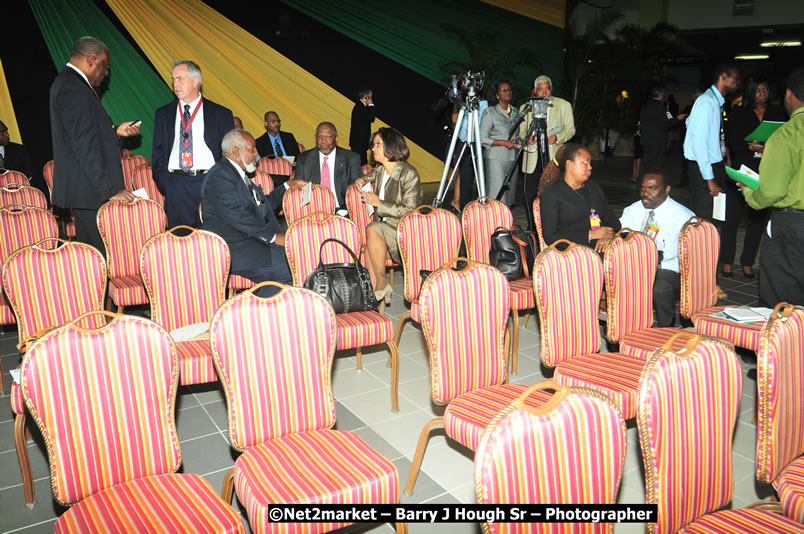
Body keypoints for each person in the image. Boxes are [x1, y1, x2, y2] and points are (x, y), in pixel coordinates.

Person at [49, 36, 140, 252]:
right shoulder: (73, 88)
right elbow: (84, 145)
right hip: (92, 192)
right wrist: (109, 191)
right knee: (106, 256)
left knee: (93, 258)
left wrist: (115, 132)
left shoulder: (71, 83)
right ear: (91, 59)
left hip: (87, 191)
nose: (106, 72)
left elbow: (84, 134)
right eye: (105, 66)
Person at [201, 129, 305, 297]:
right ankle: (250, 308)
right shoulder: (220, 176)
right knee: (292, 268)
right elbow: (239, 217)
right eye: (252, 149)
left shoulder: (236, 174)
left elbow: (263, 205)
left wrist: (287, 185)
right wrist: (273, 237)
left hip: (253, 241)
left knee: (299, 260)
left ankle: (258, 307)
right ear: (236, 151)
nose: (256, 154)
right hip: (237, 249)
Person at [744, 66, 804, 307]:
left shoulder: (786, 135)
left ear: (789, 94)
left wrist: (749, 192)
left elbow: (772, 191)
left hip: (792, 228)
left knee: (782, 304)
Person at [152, 60, 234, 229]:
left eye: (180, 79)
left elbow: (229, 155)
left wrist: (219, 183)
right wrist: (167, 183)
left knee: (211, 237)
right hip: (176, 184)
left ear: (196, 81)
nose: (175, 84)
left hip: (209, 183)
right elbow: (157, 152)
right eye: (174, 79)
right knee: (180, 238)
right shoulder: (163, 114)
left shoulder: (221, 114)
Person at [721, 76, 786, 279]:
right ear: (751, 92)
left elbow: (782, 140)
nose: (762, 93)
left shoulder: (778, 113)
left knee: (757, 220)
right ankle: (726, 261)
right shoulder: (739, 112)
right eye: (758, 90)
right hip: (741, 170)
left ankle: (747, 262)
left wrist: (766, 147)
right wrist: (750, 146)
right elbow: (732, 141)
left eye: (765, 89)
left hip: (764, 171)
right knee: (731, 218)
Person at [354, 127, 422, 302]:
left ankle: (380, 284)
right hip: (383, 230)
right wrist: (363, 179)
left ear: (391, 146)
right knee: (370, 246)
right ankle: (376, 294)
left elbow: (410, 211)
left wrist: (380, 204)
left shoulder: (409, 174)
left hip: (403, 232)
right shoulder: (381, 169)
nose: (373, 148)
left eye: (378, 144)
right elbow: (372, 174)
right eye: (373, 145)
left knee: (372, 229)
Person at [620, 173, 694, 327]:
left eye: (652, 188)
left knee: (660, 286)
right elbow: (620, 235)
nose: (645, 193)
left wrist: (654, 260)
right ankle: (624, 326)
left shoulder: (683, 217)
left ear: (667, 189)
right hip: (636, 265)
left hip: (669, 269)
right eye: (643, 188)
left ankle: (666, 328)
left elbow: (690, 258)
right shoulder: (633, 209)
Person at [683, 63, 740, 219]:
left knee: (714, 217)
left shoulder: (715, 101)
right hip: (704, 169)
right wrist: (709, 179)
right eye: (736, 78)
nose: (738, 82)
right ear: (723, 77)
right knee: (704, 219)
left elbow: (690, 123)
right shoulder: (706, 102)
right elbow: (699, 143)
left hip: (713, 166)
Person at [539, 143, 620, 252]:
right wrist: (590, 234)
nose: (590, 167)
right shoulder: (552, 194)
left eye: (590, 163)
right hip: (573, 252)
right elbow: (551, 237)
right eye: (585, 163)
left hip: (602, 247)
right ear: (569, 165)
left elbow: (613, 221)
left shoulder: (593, 188)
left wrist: (607, 235)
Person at [520, 75, 576, 222]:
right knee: (530, 193)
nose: (544, 93)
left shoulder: (564, 105)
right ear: (535, 91)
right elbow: (521, 131)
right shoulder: (526, 107)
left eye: (547, 89)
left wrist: (558, 137)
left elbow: (571, 129)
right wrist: (527, 138)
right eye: (540, 89)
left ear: (552, 89)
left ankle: (552, 225)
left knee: (553, 193)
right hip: (532, 158)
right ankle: (532, 226)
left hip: (553, 157)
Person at [294, 122, 362, 216]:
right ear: (315, 138)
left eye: (328, 137)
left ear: (336, 138)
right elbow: (298, 190)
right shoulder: (304, 158)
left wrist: (340, 214)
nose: (323, 141)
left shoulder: (351, 158)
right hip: (312, 210)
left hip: (342, 210)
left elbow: (355, 191)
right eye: (320, 137)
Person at [480, 80, 521, 207]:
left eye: (509, 90)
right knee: (497, 195)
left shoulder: (516, 112)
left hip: (512, 158)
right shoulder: (490, 112)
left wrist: (520, 140)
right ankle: (495, 218)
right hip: (496, 159)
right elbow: (482, 138)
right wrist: (503, 143)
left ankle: (506, 218)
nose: (507, 92)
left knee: (509, 196)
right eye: (504, 90)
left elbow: (516, 135)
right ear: (497, 95)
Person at [639, 82, 687, 177]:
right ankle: (653, 182)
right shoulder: (659, 106)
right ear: (661, 95)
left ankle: (642, 181)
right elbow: (665, 123)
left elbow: (642, 121)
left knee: (646, 163)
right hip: (657, 141)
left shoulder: (645, 105)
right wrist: (677, 118)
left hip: (646, 139)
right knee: (656, 164)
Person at [349, 89, 376, 165]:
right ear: (366, 97)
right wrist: (371, 105)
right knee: (360, 165)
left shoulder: (361, 106)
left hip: (360, 143)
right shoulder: (360, 107)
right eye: (370, 97)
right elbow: (372, 118)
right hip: (359, 143)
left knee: (362, 164)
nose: (371, 99)